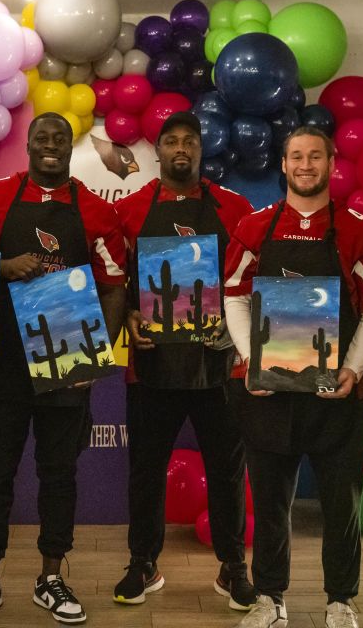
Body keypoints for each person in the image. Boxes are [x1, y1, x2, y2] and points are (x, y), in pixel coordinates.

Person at [0, 112, 127, 626]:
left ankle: (52, 576)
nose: (51, 145)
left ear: (71, 149)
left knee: (59, 474)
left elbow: (114, 286)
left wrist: (101, 352)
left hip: (67, 354)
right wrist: (2, 266)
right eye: (42, 138)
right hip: (0, 360)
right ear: (28, 144)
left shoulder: (94, 210)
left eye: (60, 139)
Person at [222, 127, 363, 628]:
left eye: (314, 156)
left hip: (335, 396)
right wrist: (252, 356)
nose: (305, 164)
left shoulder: (359, 230)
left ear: (330, 163)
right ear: (283, 164)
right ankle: (269, 600)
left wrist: (353, 369)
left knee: (342, 504)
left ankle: (341, 602)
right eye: (296, 155)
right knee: (272, 504)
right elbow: (233, 296)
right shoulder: (255, 228)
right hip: (268, 392)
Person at [110, 111, 256, 610]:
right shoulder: (128, 210)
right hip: (151, 364)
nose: (180, 148)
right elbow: (115, 283)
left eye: (189, 141)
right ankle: (142, 563)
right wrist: (129, 313)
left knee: (228, 470)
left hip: (221, 366)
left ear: (200, 149)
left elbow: (251, 280)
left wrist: (239, 328)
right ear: (157, 151)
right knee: (145, 470)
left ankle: (233, 565)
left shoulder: (236, 208)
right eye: (170, 140)